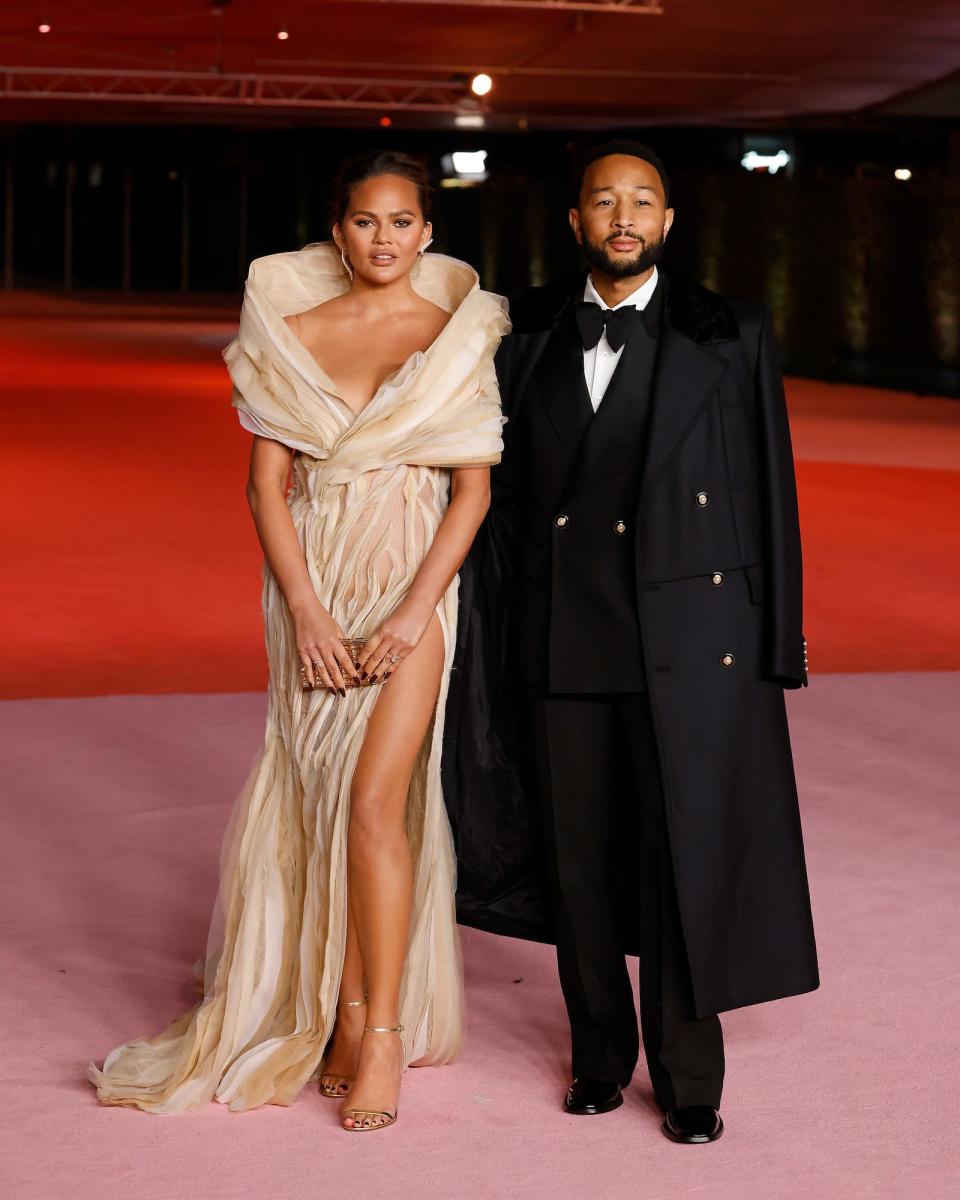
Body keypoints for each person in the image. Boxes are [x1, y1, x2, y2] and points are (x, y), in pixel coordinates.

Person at [88, 151, 509, 1131]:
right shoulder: (296, 332)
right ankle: (343, 1012)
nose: (385, 240)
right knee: (324, 801)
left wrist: (413, 612)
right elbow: (264, 485)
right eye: (365, 222)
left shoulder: (456, 336)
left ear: (428, 234)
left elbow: (474, 491)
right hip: (316, 586)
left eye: (403, 222)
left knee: (375, 802)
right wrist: (310, 614)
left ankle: (384, 1041)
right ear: (337, 232)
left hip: (414, 583)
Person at [445, 140, 819, 1143]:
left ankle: (691, 1080)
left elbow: (770, 490)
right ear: (576, 224)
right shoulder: (519, 331)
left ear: (665, 223)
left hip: (692, 642)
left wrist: (777, 642)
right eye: (603, 201)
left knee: (680, 860)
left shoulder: (725, 331)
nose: (622, 215)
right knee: (578, 863)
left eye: (641, 201)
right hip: (561, 634)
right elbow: (493, 487)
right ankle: (600, 1057)